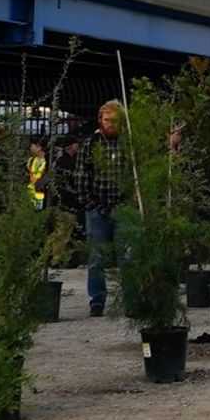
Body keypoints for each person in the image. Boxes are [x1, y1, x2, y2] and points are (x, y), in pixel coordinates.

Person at [73, 100, 130, 316]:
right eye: (107, 120)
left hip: (122, 208)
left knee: (127, 256)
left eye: (115, 121)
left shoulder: (128, 145)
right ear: (100, 120)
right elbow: (81, 176)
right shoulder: (91, 144)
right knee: (96, 257)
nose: (110, 125)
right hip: (97, 208)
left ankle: (130, 299)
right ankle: (97, 300)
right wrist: (89, 203)